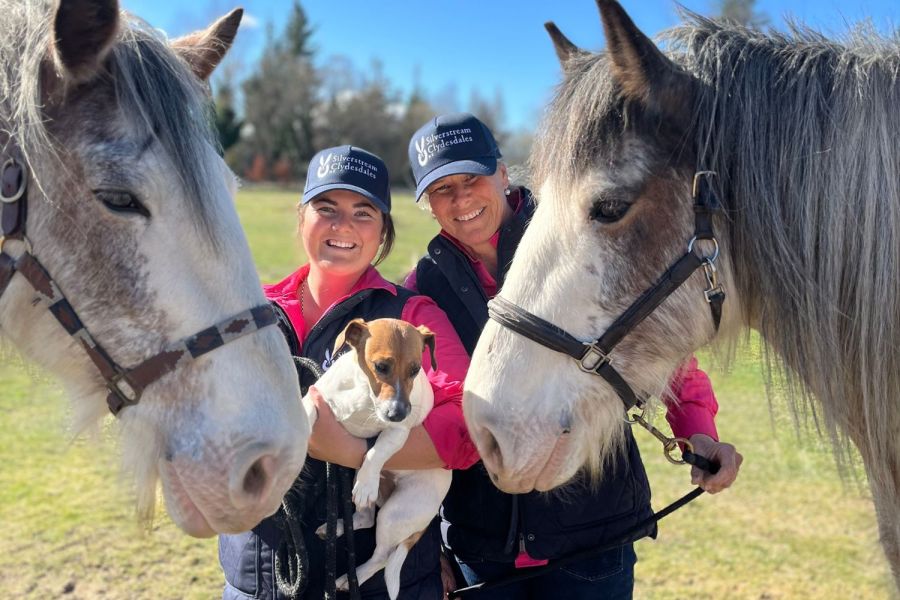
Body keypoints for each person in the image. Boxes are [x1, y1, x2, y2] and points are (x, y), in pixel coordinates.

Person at [405, 113, 744, 599]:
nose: (460, 200)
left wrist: (698, 434)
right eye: (442, 189)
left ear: (503, 174)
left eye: (471, 179)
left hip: (592, 536)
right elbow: (428, 416)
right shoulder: (421, 292)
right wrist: (424, 545)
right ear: (428, 204)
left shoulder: (584, 234)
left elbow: (662, 347)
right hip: (482, 549)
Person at [219, 145, 479, 600]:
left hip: (371, 584)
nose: (342, 226)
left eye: (363, 212)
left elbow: (465, 429)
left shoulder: (411, 315)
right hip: (259, 576)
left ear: (382, 233)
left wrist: (356, 453)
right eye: (326, 209)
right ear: (301, 218)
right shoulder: (250, 310)